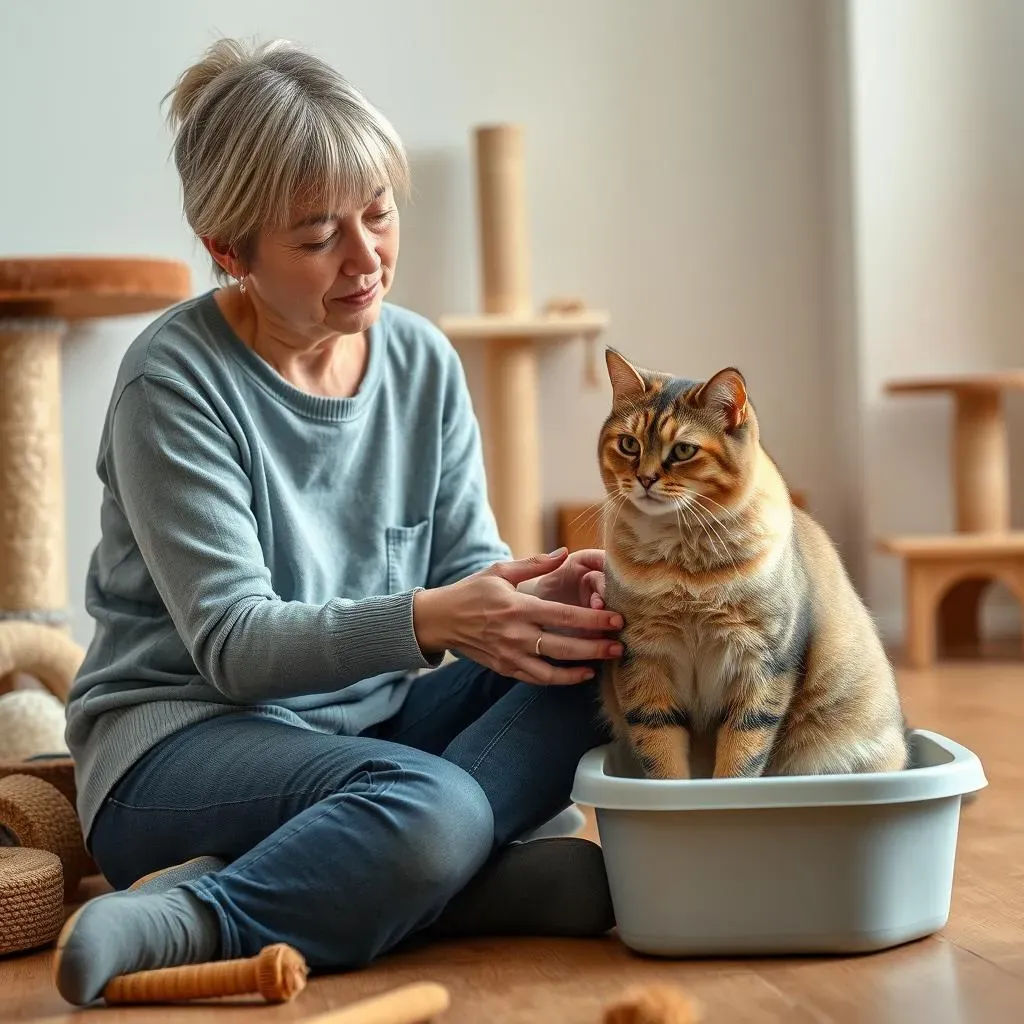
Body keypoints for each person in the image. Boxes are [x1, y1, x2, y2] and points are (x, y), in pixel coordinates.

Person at [55, 37, 624, 1005]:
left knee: (599, 654)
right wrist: (433, 619)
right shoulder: (171, 384)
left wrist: (541, 598)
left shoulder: (421, 361)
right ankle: (202, 916)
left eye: (378, 213)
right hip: (180, 746)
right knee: (438, 808)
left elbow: (467, 565)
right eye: (319, 237)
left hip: (372, 728)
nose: (366, 259)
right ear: (230, 252)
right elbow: (234, 643)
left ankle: (403, 872)